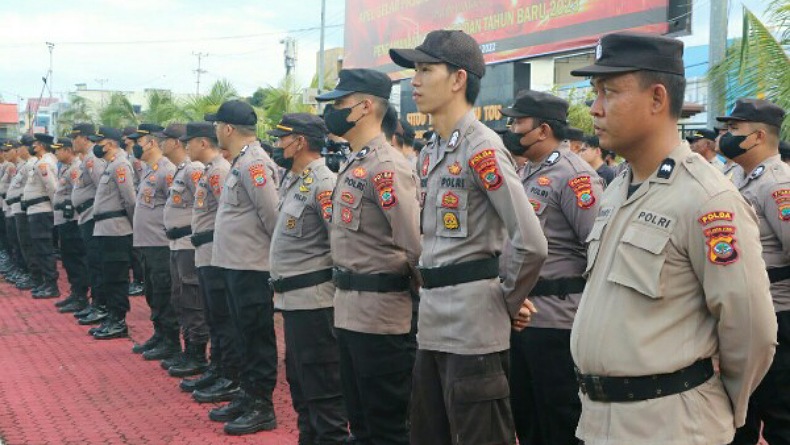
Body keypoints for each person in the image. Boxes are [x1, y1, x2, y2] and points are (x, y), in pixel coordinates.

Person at [568, 32, 777, 445]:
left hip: (671, 426)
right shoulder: (617, 188)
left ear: (657, 98)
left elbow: (752, 329)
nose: (595, 108)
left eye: (609, 92)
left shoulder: (706, 198)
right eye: (595, 93)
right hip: (603, 422)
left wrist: (720, 405)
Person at [389, 30, 548, 445]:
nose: (415, 81)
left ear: (458, 79)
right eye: (414, 71)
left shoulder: (482, 149)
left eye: (426, 70)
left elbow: (531, 242)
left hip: (474, 333)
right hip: (433, 326)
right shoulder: (432, 152)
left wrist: (504, 301)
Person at [315, 68, 421, 445]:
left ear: (364, 107)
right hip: (350, 311)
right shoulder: (355, 162)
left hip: (382, 318)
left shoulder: (386, 166)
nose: (331, 111)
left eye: (339, 103)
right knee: (359, 423)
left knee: (386, 427)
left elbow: (415, 246)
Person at [500, 89, 604, 445]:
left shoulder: (574, 176)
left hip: (557, 322)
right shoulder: (523, 172)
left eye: (518, 122)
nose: (511, 129)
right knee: (526, 418)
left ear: (543, 130)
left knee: (560, 421)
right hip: (521, 317)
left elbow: (599, 250)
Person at [268, 113, 350, 445]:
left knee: (324, 393)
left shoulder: (324, 183)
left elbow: (340, 244)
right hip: (294, 303)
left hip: (316, 305)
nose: (277, 145)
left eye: (281, 139)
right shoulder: (295, 181)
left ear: (300, 142)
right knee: (302, 389)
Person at [715, 98, 790, 445]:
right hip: (741, 313)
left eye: (734, 129)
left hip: (777, 314)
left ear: (758, 136)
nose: (725, 136)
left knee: (779, 414)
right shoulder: (733, 176)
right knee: (737, 415)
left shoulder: (778, 184)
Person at [207, 100, 281, 436]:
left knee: (256, 336)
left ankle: (262, 405)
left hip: (252, 267)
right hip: (235, 265)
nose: (215, 130)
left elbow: (273, 216)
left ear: (227, 128)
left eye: (216, 125)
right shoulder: (240, 162)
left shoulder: (254, 164)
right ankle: (247, 393)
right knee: (242, 334)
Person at [180, 122, 241, 403]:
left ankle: (229, 373)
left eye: (189, 142)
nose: (186, 147)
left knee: (222, 318)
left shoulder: (219, 171)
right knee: (213, 317)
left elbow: (225, 215)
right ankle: (217, 368)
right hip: (205, 252)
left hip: (216, 252)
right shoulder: (209, 170)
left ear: (203, 143)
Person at [158, 123, 209, 378]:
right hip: (177, 244)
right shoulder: (181, 170)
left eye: (165, 139)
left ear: (175, 142)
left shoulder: (194, 169)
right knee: (180, 297)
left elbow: (207, 205)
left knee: (192, 299)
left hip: (189, 244)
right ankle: (188, 347)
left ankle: (197, 353)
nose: (160, 144)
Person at [128, 124, 180, 360]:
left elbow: (175, 205)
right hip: (147, 243)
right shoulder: (150, 170)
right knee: (152, 292)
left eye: (139, 142)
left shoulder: (166, 170)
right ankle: (159, 334)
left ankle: (171, 341)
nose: (135, 147)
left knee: (163, 292)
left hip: (161, 243)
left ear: (151, 143)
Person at [89, 127, 136, 339]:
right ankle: (111, 316)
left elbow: (130, 200)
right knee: (108, 276)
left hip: (116, 230)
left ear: (109, 144)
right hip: (105, 229)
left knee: (116, 278)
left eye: (99, 142)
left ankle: (118, 320)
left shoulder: (120, 165)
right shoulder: (111, 165)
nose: (96, 146)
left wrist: (133, 226)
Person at [70, 123, 110, 326]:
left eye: (75, 137)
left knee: (96, 263)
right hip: (85, 216)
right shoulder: (86, 158)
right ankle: (96, 303)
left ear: (85, 138)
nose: (72, 141)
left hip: (93, 216)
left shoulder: (93, 159)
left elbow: (102, 188)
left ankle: (100, 305)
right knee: (92, 262)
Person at [52, 138, 89, 313]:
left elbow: (78, 192)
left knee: (75, 258)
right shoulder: (66, 167)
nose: (56, 153)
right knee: (68, 258)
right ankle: (75, 293)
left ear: (68, 151)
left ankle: (81, 296)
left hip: (72, 220)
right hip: (64, 219)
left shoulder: (75, 168)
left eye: (59, 150)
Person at [24, 133, 59, 298]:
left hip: (42, 210)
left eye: (36, 144)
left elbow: (52, 188)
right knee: (40, 248)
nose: (33, 146)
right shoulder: (40, 161)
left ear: (42, 146)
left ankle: (51, 285)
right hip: (36, 210)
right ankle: (47, 282)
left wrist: (54, 209)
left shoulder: (44, 163)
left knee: (44, 249)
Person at [8, 136, 36, 290]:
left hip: (25, 209)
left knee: (28, 244)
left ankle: (32, 274)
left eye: (20, 147)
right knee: (18, 242)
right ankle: (24, 270)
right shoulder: (21, 166)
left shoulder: (31, 165)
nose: (19, 150)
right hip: (15, 209)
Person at [0, 141, 23, 284]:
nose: (5, 153)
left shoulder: (12, 166)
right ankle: (14, 264)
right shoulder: (10, 166)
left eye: (7, 150)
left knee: (16, 240)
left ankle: (21, 268)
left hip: (15, 208)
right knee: (9, 237)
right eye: (4, 150)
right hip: (7, 206)